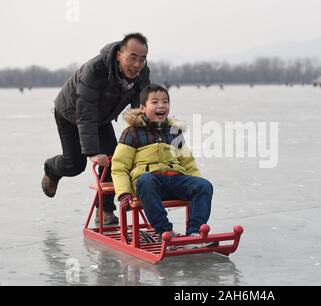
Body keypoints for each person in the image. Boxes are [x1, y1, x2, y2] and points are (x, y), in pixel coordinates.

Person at [42, 33, 151, 225]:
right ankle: (51, 169)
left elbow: (141, 106)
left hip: (101, 118)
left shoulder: (141, 72)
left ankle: (105, 211)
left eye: (142, 59)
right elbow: (85, 112)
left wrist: (145, 138)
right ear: (119, 54)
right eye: (132, 57)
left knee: (114, 160)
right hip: (69, 113)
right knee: (75, 165)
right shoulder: (95, 70)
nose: (137, 64)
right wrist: (92, 151)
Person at [111, 84, 214, 246]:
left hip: (175, 180)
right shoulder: (132, 132)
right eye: (155, 102)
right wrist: (124, 193)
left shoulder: (173, 132)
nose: (161, 105)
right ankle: (165, 231)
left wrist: (195, 183)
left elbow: (188, 162)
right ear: (143, 108)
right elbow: (119, 166)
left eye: (165, 101)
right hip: (149, 185)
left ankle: (195, 232)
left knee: (204, 186)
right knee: (145, 180)